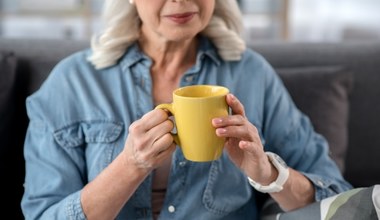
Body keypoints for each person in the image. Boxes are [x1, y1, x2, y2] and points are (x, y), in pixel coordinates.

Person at [21, 0, 352, 219]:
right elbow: (42, 215)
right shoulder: (72, 82)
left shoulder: (251, 74)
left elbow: (337, 201)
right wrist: (129, 166)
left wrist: (268, 175)